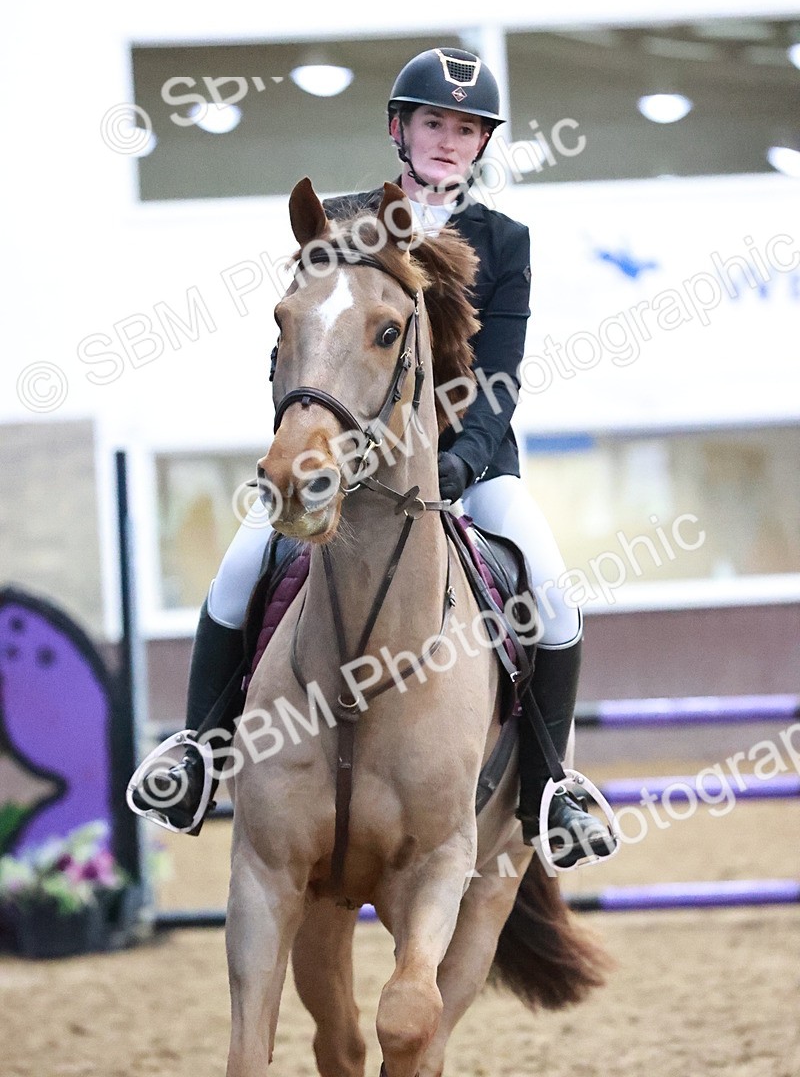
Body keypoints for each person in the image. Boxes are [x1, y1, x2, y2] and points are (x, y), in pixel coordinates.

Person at [131, 47, 614, 867]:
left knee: (554, 591)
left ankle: (548, 790)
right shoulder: (345, 219)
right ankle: (198, 754)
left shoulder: (505, 240)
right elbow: (298, 347)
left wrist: (459, 468)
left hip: (474, 465)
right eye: (434, 122)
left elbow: (499, 377)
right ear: (401, 129)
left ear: (481, 145)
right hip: (341, 460)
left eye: (467, 129)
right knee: (242, 564)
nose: (449, 140)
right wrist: (308, 445)